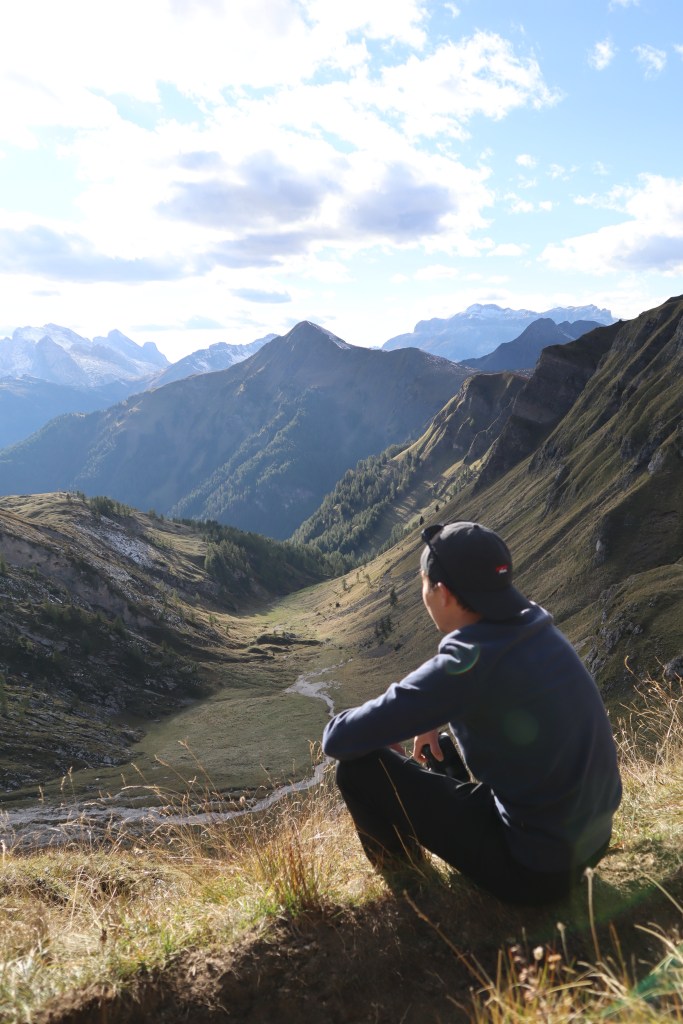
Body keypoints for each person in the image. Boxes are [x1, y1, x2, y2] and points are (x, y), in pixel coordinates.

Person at [322, 522, 622, 904]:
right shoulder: (532, 620)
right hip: (588, 841)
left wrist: (393, 725)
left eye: (424, 583)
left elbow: (338, 738)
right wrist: (428, 718)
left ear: (442, 593)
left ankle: (412, 885)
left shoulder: (466, 661)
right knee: (441, 747)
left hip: (538, 871)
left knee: (358, 769)